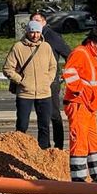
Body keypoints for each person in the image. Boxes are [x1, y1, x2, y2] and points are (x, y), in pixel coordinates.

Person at [63, 28, 97, 183]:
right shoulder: (80, 53)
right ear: (91, 42)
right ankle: (79, 180)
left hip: (89, 107)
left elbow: (91, 80)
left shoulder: (92, 56)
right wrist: (82, 90)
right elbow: (69, 74)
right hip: (79, 105)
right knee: (80, 142)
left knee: (93, 142)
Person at [3, 20, 58, 149]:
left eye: (38, 32)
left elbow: (53, 66)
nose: (35, 35)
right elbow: (7, 68)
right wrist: (21, 81)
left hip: (44, 93)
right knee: (22, 124)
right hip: (25, 93)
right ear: (27, 32)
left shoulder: (46, 47)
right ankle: (19, 149)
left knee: (44, 125)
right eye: (32, 32)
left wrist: (48, 80)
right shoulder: (18, 47)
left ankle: (44, 150)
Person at [31, 12, 71, 150]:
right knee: (42, 114)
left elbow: (69, 54)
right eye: (32, 21)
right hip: (36, 82)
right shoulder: (31, 37)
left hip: (51, 82)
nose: (34, 23)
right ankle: (44, 146)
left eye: (37, 20)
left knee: (54, 114)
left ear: (44, 22)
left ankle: (58, 146)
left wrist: (69, 74)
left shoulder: (52, 36)